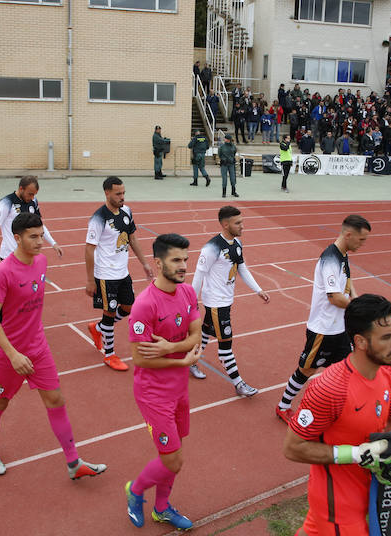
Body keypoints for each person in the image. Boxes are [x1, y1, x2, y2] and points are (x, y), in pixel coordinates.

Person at [0, 212, 107, 479]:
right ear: (17, 238)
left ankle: (74, 463)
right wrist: (13, 354)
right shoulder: (2, 272)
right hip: (8, 355)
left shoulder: (41, 261)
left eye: (41, 235)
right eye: (33, 237)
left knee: (56, 400)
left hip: (38, 348)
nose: (40, 241)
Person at [284, 294, 391, 536]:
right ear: (360, 342)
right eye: (387, 337)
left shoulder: (386, 373)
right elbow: (293, 448)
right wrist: (357, 454)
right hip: (336, 508)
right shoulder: (330, 388)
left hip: (370, 494)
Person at [124, 233, 202, 531]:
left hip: (179, 388)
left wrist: (170, 348)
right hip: (154, 394)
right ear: (158, 263)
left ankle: (161, 508)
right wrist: (182, 359)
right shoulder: (144, 306)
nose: (183, 266)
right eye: (176, 260)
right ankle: (134, 490)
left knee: (173, 454)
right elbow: (140, 359)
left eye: (185, 259)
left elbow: (195, 335)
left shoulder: (187, 293)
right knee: (174, 461)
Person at [276, 215, 371, 423]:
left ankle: (339, 410)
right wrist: (360, 308)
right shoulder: (330, 259)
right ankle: (283, 406)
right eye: (361, 240)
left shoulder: (343, 255)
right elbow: (335, 297)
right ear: (348, 235)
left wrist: (356, 299)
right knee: (306, 370)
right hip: (323, 330)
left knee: (345, 372)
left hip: (340, 330)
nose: (362, 244)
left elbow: (347, 280)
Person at [189, 205, 269, 395]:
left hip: (225, 300)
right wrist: (191, 302)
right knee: (225, 344)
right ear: (226, 224)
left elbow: (242, 268)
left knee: (206, 332)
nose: (243, 226)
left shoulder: (237, 244)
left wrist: (258, 289)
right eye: (238, 223)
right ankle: (239, 384)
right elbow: (199, 275)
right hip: (216, 303)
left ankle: (190, 362)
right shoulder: (211, 248)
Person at [85, 177, 154, 371]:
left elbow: (132, 238)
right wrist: (90, 280)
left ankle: (98, 329)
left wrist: (145, 263)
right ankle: (110, 355)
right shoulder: (98, 218)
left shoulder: (127, 211)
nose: (122, 197)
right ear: (107, 193)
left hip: (123, 272)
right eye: (118, 194)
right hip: (105, 275)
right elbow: (89, 249)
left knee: (129, 307)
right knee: (109, 313)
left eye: (123, 193)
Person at [0, 176, 62, 267]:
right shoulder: (6, 202)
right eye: (30, 194)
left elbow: (39, 225)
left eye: (34, 195)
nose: (32, 197)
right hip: (9, 256)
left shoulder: (33, 201)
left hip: (28, 255)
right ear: (21, 189)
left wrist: (53, 243)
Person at [218, 133, 238, 198]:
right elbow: (220, 155)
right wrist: (223, 159)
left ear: (228, 139)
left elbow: (234, 153)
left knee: (233, 178)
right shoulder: (222, 147)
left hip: (231, 164)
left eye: (225, 138)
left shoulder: (233, 146)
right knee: (224, 179)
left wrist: (231, 159)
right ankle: (224, 192)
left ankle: (233, 191)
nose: (224, 139)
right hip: (224, 164)